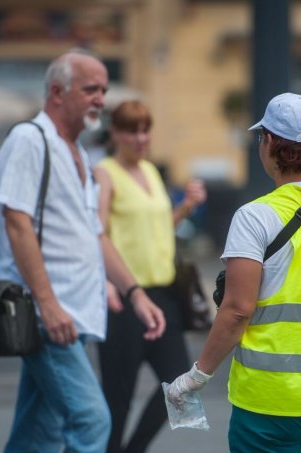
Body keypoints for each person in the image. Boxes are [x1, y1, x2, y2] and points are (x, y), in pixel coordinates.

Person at [167, 93, 301, 452]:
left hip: (273, 399)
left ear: (271, 143)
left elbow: (237, 310)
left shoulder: (255, 216)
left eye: (262, 137)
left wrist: (196, 376)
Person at [0, 50, 166, 453]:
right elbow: (17, 224)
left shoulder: (81, 157)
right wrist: (48, 304)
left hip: (76, 315)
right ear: (57, 92)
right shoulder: (28, 140)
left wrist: (134, 294)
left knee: (39, 430)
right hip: (49, 317)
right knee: (91, 420)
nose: (101, 100)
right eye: (91, 89)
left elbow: (96, 236)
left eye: (103, 90)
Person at [94, 100, 207, 453]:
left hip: (164, 296)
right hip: (125, 297)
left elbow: (157, 228)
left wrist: (186, 208)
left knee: (180, 388)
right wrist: (107, 282)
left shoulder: (152, 172)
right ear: (115, 134)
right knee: (118, 398)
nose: (141, 138)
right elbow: (96, 232)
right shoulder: (104, 172)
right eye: (131, 130)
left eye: (145, 129)